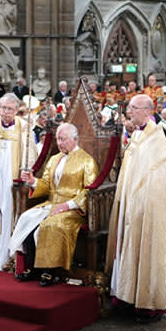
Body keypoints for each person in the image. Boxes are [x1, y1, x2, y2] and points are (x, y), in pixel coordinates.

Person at [107, 94, 166, 323]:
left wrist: (140, 201)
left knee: (145, 246)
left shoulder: (155, 136)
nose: (128, 111)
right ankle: (126, 295)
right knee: (128, 246)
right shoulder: (137, 133)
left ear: (145, 111)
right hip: (130, 200)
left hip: (145, 203)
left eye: (132, 107)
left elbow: (155, 177)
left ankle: (148, 302)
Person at [9, 123, 98, 286]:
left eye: (63, 139)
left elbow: (89, 191)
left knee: (50, 225)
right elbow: (47, 185)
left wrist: (68, 205)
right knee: (26, 219)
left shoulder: (87, 161)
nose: (59, 143)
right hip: (51, 203)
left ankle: (50, 272)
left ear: (74, 139)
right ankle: (33, 268)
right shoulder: (54, 159)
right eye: (57, 139)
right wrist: (33, 181)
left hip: (73, 210)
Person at [0, 93, 37, 270]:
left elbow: (30, 153)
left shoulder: (24, 127)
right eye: (3, 108)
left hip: (12, 182)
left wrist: (26, 167)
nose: (6, 112)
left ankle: (9, 259)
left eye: (10, 109)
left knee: (9, 214)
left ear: (17, 110)